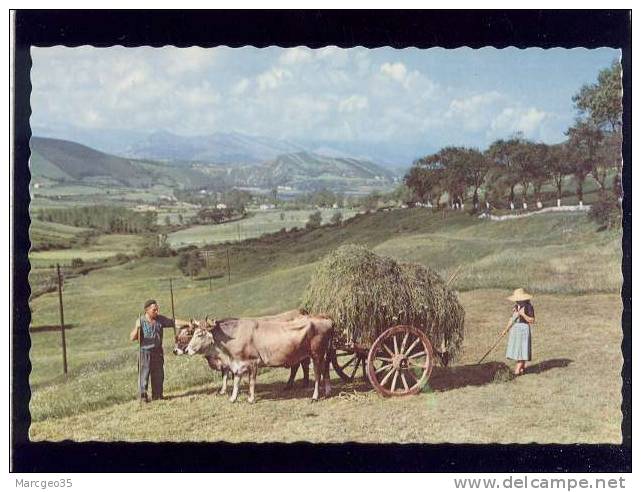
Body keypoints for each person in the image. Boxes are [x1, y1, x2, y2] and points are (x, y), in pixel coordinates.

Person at [130, 299, 189, 403]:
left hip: (157, 352)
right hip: (145, 352)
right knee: (143, 375)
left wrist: (189, 323)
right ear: (147, 310)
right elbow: (132, 337)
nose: (157, 312)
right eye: (154, 310)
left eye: (157, 309)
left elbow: (174, 322)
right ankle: (142, 398)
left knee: (158, 375)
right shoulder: (141, 320)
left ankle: (157, 396)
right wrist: (137, 327)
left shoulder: (160, 319)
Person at [504, 288, 535, 376]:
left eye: (518, 299)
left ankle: (517, 371)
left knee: (522, 349)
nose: (517, 301)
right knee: (518, 350)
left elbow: (532, 320)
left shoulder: (529, 307)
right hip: (515, 330)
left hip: (523, 330)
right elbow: (512, 319)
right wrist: (506, 329)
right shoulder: (516, 306)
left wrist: (522, 314)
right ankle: (522, 368)